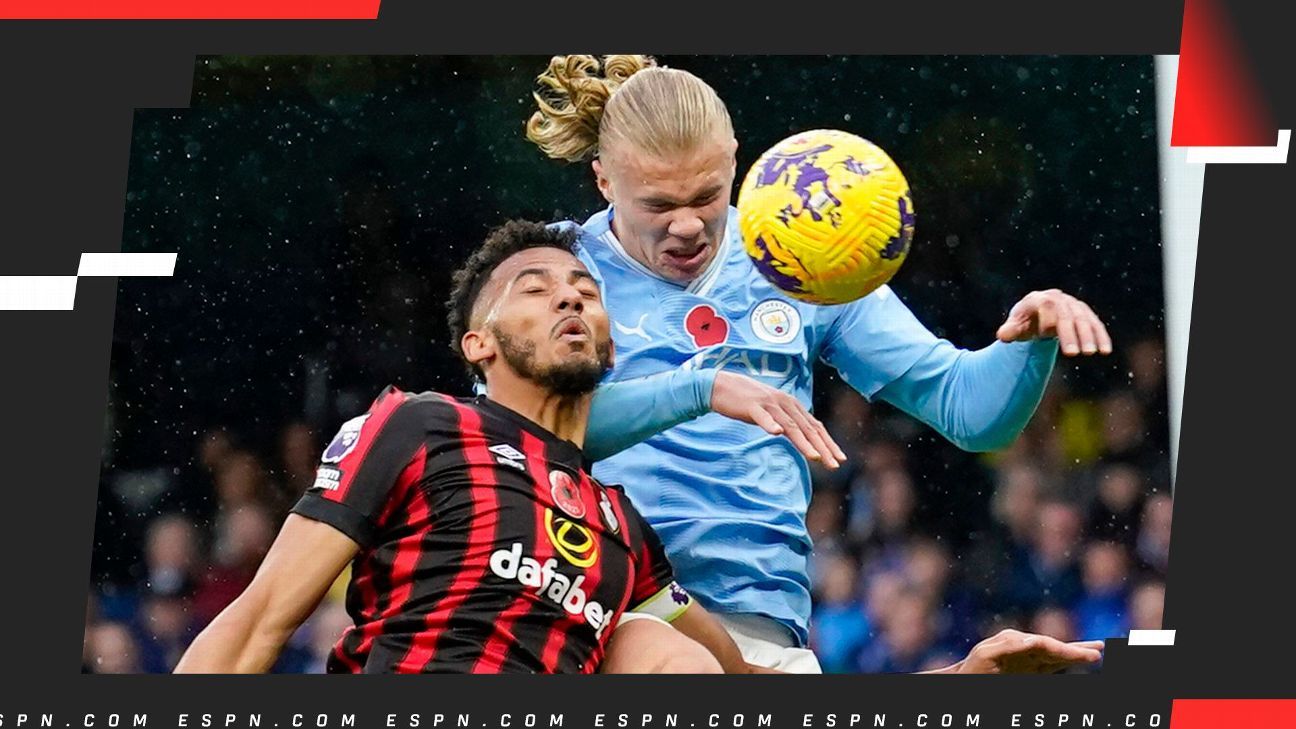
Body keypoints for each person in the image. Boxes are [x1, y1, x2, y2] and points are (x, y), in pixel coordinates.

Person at [175, 220, 1102, 675]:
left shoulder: (623, 536)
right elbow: (260, 620)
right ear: (477, 344)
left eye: (584, 287)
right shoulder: (420, 426)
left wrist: (959, 682)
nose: (571, 296)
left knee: (680, 664)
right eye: (535, 289)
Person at [524, 54, 1114, 672]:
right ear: (603, 182)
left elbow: (971, 413)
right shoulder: (552, 271)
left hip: (759, 624)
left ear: (735, 161)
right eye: (657, 204)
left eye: (706, 195)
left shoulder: (800, 256)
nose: (688, 226)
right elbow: (513, 436)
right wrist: (700, 389)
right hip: (598, 614)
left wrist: (1027, 344)